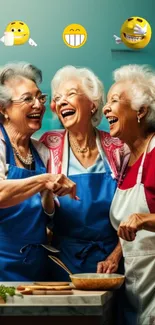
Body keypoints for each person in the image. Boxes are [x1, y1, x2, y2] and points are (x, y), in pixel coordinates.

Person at [40, 65, 125, 280]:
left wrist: (116, 256)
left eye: (70, 94)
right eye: (58, 98)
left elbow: (134, 210)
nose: (61, 101)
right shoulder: (48, 145)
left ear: (93, 104)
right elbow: (39, 210)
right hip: (64, 260)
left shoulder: (118, 148)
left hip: (111, 260)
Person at [0, 62, 77, 281]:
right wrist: (44, 180)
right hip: (2, 264)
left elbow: (47, 215)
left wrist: (50, 199)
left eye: (40, 98)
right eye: (28, 99)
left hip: (35, 265)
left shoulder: (41, 150)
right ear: (3, 108)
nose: (38, 105)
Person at [103, 64, 155, 325]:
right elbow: (132, 232)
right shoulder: (128, 161)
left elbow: (140, 221)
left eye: (114, 100)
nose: (105, 109)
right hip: (136, 291)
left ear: (141, 111)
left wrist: (143, 219)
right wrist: (116, 254)